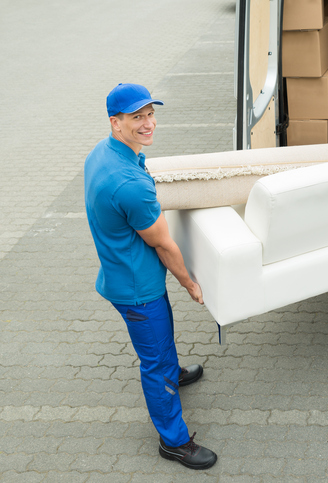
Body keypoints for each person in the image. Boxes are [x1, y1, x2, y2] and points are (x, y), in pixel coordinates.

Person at [84, 83, 217, 470]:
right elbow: (164, 246)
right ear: (116, 122)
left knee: (162, 341)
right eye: (136, 118)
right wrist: (191, 283)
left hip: (121, 272)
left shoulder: (104, 153)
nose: (148, 124)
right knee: (154, 363)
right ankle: (173, 441)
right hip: (137, 290)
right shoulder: (129, 185)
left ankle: (173, 371)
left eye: (150, 114)